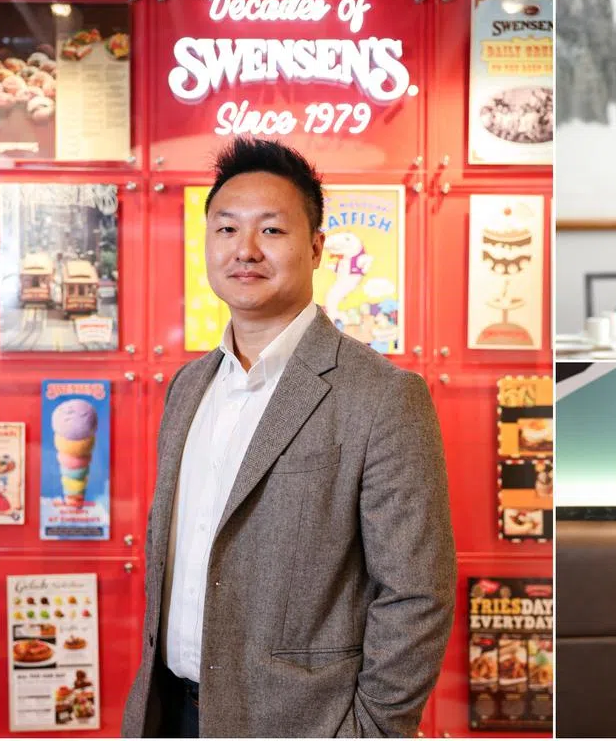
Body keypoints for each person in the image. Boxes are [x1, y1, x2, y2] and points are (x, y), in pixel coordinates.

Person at [122, 137, 456, 737]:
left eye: (272, 231)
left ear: (316, 247)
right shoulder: (187, 387)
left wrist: (371, 731)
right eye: (226, 230)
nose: (245, 250)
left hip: (302, 723)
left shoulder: (382, 396)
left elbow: (417, 595)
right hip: (166, 712)